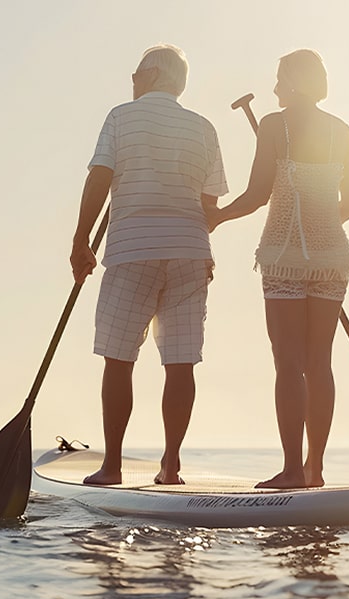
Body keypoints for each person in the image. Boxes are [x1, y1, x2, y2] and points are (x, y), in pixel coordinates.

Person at [70, 44, 228, 486]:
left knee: (118, 358)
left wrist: (81, 240)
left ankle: (113, 466)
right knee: (181, 362)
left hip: (132, 248)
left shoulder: (121, 116)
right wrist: (199, 247)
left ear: (155, 74)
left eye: (138, 72)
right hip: (190, 252)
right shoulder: (204, 127)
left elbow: (99, 176)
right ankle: (170, 465)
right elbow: (209, 203)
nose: (133, 79)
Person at [209, 49, 349, 488]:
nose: (274, 89)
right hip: (334, 258)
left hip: (284, 260)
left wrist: (218, 216)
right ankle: (315, 471)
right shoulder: (342, 130)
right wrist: (320, 224)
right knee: (320, 364)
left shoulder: (275, 126)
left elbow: (257, 195)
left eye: (279, 80)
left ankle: (292, 470)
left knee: (289, 364)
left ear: (294, 82)